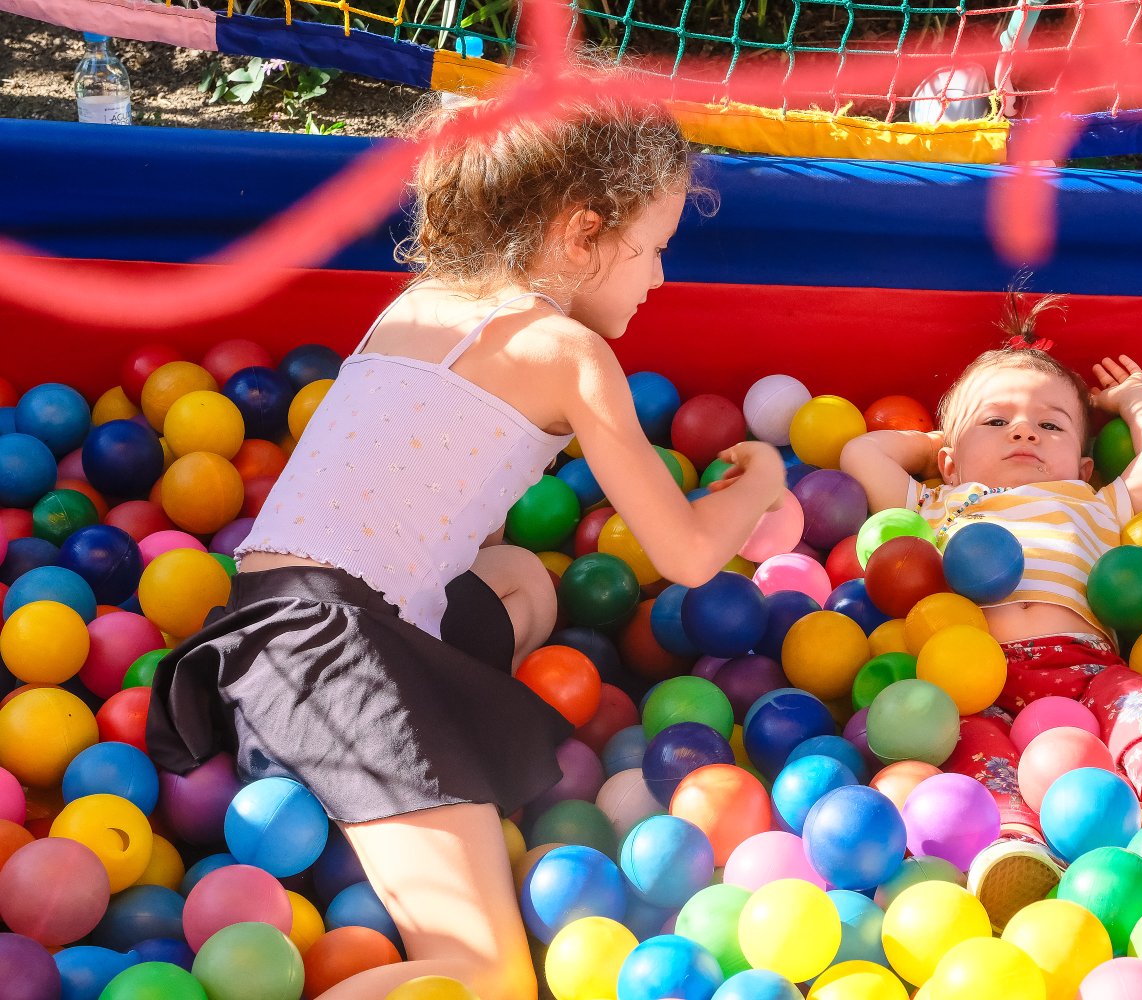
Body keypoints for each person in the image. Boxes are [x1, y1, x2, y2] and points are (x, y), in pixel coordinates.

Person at [147, 73, 786, 999]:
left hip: (254, 647)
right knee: (487, 978)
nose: (659, 276)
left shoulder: (418, 304)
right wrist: (761, 481)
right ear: (582, 233)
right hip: (339, 665)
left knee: (522, 574)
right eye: (651, 249)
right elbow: (688, 554)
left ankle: (342, 783)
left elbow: (439, 525)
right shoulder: (569, 352)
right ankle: (379, 783)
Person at [840, 294, 1142, 930]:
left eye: (1051, 426)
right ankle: (1012, 849)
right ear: (948, 461)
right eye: (996, 422)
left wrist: (1137, 399)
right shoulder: (938, 503)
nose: (1024, 432)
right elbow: (860, 454)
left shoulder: (1093, 503)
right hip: (976, 676)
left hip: (1090, 667)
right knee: (972, 745)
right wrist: (934, 445)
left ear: (1084, 465)